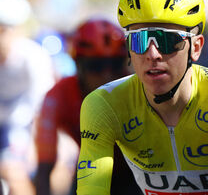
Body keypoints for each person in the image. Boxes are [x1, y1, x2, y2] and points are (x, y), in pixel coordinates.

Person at [77, 0, 208, 195]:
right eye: (140, 40)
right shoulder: (104, 105)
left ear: (196, 47)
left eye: (167, 40)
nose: (153, 54)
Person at [33, 18, 142, 195]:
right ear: (78, 66)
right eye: (96, 66)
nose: (107, 75)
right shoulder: (58, 96)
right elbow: (44, 169)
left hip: (138, 174)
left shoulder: (141, 89)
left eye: (115, 64)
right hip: (90, 170)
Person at [0, 0, 56, 195]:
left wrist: (36, 147)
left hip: (24, 129)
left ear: (18, 30)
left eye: (3, 30)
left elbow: (43, 109)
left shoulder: (34, 58)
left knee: (14, 174)